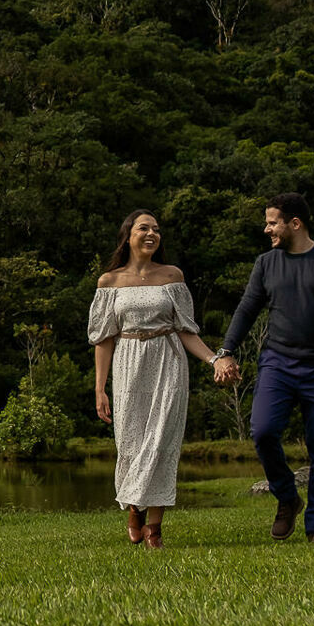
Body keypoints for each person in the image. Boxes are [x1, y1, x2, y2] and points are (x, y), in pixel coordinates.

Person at [213, 192, 314, 545]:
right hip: (278, 363)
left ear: (294, 223)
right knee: (263, 431)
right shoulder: (266, 264)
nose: (267, 229)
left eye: (272, 222)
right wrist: (225, 352)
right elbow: (247, 309)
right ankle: (287, 497)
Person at [89, 209, 223, 549]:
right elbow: (104, 339)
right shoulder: (110, 282)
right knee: (131, 442)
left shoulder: (172, 276)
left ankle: (155, 527)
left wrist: (213, 359)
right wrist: (99, 389)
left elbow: (186, 330)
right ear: (128, 235)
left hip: (169, 362)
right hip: (128, 363)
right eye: (144, 228)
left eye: (157, 230)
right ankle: (134, 508)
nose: (152, 234)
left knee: (163, 442)